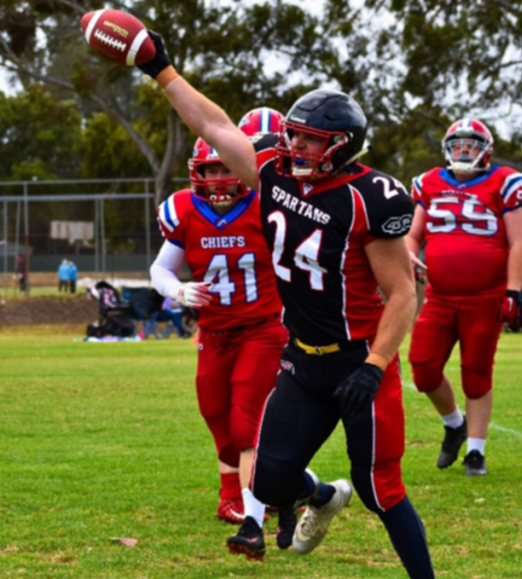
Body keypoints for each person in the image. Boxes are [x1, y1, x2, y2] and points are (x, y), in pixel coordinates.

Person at [135, 33, 433, 576]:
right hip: (300, 360)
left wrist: (375, 366)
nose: (296, 148)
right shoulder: (272, 172)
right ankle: (319, 495)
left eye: (310, 141)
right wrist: (162, 70)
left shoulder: (370, 198)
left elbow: (402, 293)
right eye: (293, 136)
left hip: (357, 360)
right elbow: (214, 125)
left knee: (380, 489)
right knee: (268, 481)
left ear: (340, 145)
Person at [150, 115, 289, 556]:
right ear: (198, 171)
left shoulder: (268, 206)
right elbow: (160, 269)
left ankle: (253, 510)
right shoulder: (183, 210)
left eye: (227, 167)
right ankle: (231, 494)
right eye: (211, 169)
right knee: (214, 409)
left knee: (245, 417)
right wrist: (178, 290)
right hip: (214, 331)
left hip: (262, 327)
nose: (220, 178)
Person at [407, 118, 522, 477]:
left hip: (485, 296)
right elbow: (414, 234)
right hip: (440, 296)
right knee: (423, 369)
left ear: (486, 151)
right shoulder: (429, 183)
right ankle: (453, 423)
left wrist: (513, 291)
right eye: (458, 144)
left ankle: (475, 451)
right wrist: (408, 253)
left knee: (476, 374)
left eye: (471, 144)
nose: (463, 150)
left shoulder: (502, 183)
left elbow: (518, 242)